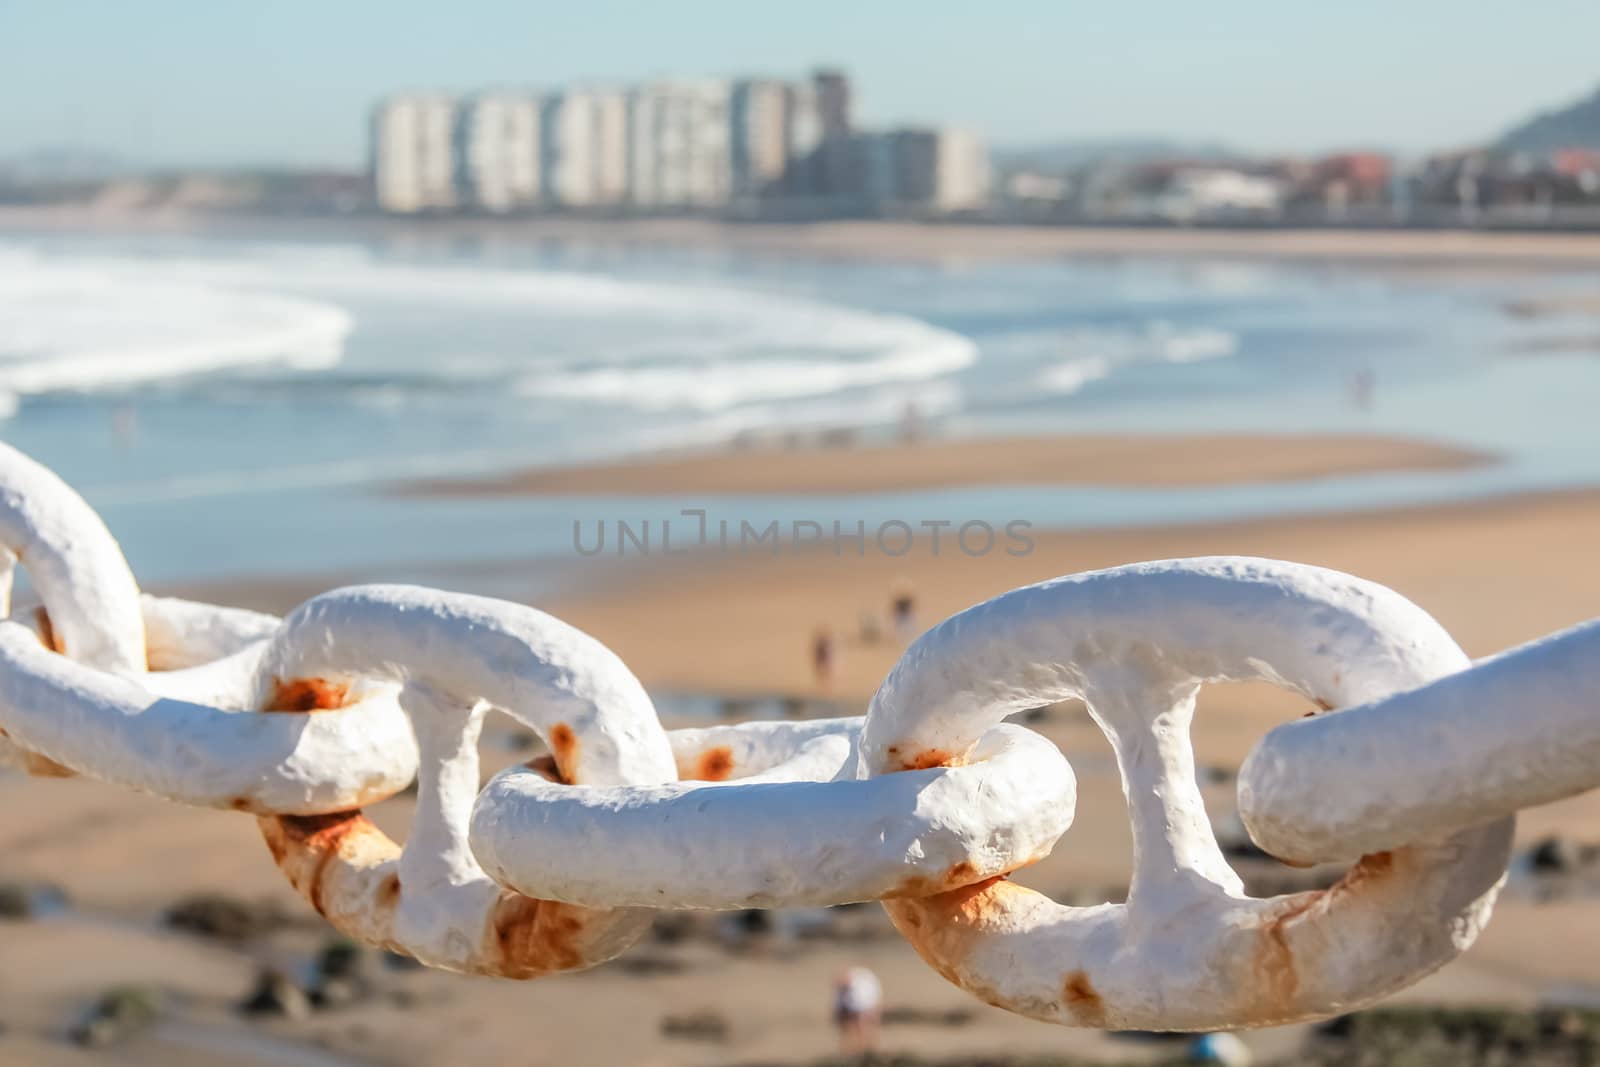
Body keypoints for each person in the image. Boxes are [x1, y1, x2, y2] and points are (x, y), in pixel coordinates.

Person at [832, 965, 882, 1058]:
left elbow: (861, 1009)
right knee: (847, 1028)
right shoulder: (840, 990)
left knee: (863, 1027)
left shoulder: (860, 987)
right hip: (855, 1005)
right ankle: (848, 1051)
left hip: (867, 1003)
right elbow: (839, 1009)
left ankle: (866, 1050)